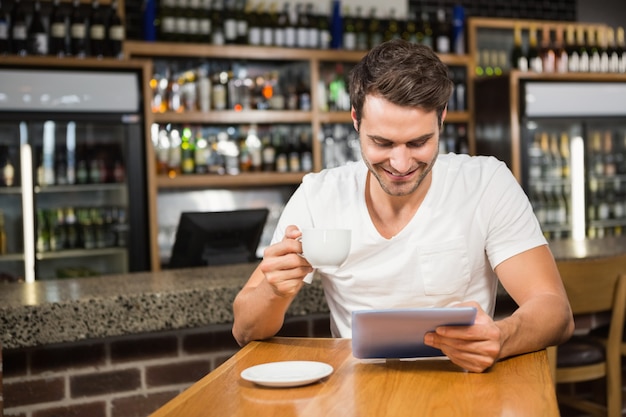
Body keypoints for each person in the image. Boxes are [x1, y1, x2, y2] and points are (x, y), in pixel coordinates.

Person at [232, 39, 574, 373]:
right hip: (357, 393)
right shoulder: (318, 195)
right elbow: (244, 330)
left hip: (462, 386)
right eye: (382, 142)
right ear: (355, 120)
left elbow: (555, 312)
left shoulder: (486, 183)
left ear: (442, 119)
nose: (400, 163)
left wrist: (501, 337)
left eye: (419, 142)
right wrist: (273, 290)